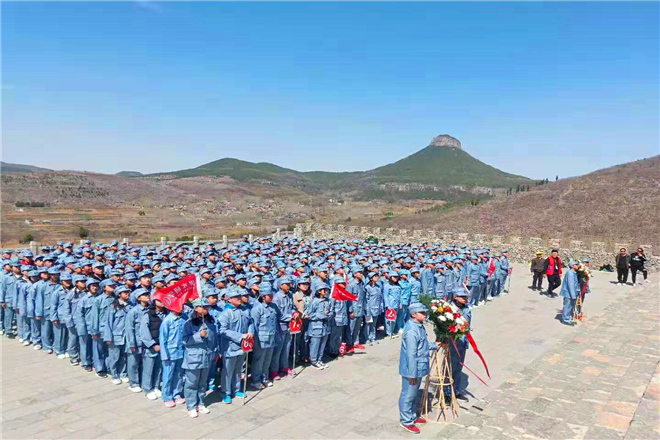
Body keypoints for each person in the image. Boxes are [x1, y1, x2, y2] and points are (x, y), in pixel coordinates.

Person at [398, 302, 437, 434]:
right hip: (412, 370)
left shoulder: (418, 326)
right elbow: (410, 354)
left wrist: (435, 345)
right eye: (423, 313)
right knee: (408, 395)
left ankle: (412, 416)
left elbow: (423, 344)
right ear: (414, 314)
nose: (425, 315)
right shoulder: (411, 331)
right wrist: (412, 374)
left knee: (413, 394)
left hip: (419, 367)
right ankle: (406, 421)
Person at [182, 298, 217, 418]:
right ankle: (191, 405)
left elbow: (214, 339)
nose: (206, 309)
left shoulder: (210, 321)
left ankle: (201, 403)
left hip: (207, 356)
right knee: (192, 383)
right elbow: (185, 340)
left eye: (207, 307)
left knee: (203, 383)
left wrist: (215, 352)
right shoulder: (188, 323)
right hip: (194, 357)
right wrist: (198, 336)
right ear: (196, 308)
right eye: (203, 307)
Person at [218, 288, 254, 404]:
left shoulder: (244, 310)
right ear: (229, 300)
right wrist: (240, 336)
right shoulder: (225, 313)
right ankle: (226, 392)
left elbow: (250, 323)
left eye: (239, 297)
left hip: (243, 346)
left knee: (238, 369)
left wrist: (250, 332)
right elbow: (222, 330)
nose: (239, 299)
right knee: (228, 371)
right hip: (230, 347)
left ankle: (236, 389)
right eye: (236, 298)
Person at [445, 287, 471, 403]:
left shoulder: (466, 309)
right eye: (463, 297)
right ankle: (446, 393)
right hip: (451, 343)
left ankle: (456, 391)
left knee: (458, 367)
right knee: (449, 367)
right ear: (455, 297)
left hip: (462, 342)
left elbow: (468, 325)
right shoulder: (447, 310)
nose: (466, 299)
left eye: (466, 297)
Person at [250, 283, 278, 389]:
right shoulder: (257, 309)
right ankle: (256, 380)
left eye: (272, 295)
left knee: (267, 360)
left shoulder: (273, 307)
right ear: (263, 296)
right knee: (259, 360)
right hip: (260, 339)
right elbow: (254, 326)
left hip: (271, 337)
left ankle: (265, 378)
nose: (271, 297)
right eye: (269, 295)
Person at [159, 302, 186, 408]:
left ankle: (177, 393)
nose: (181, 308)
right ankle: (167, 396)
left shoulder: (183, 318)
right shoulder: (167, 321)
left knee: (179, 374)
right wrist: (164, 355)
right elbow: (163, 339)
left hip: (181, 351)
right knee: (168, 375)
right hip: (170, 353)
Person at [306, 281, 332, 369]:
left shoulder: (328, 301)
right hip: (316, 327)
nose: (326, 292)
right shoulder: (314, 302)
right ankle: (314, 360)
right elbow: (309, 315)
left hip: (325, 327)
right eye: (324, 290)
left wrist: (328, 315)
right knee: (315, 344)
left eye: (327, 290)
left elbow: (331, 312)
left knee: (322, 345)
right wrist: (322, 315)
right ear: (319, 291)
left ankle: (320, 359)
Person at [560, 260, 580, 325]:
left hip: (572, 293)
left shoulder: (573, 272)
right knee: (567, 306)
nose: (577, 266)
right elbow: (571, 285)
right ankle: (565, 319)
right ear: (572, 266)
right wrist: (573, 295)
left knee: (571, 306)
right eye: (576, 265)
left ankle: (569, 318)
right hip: (568, 293)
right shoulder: (570, 273)